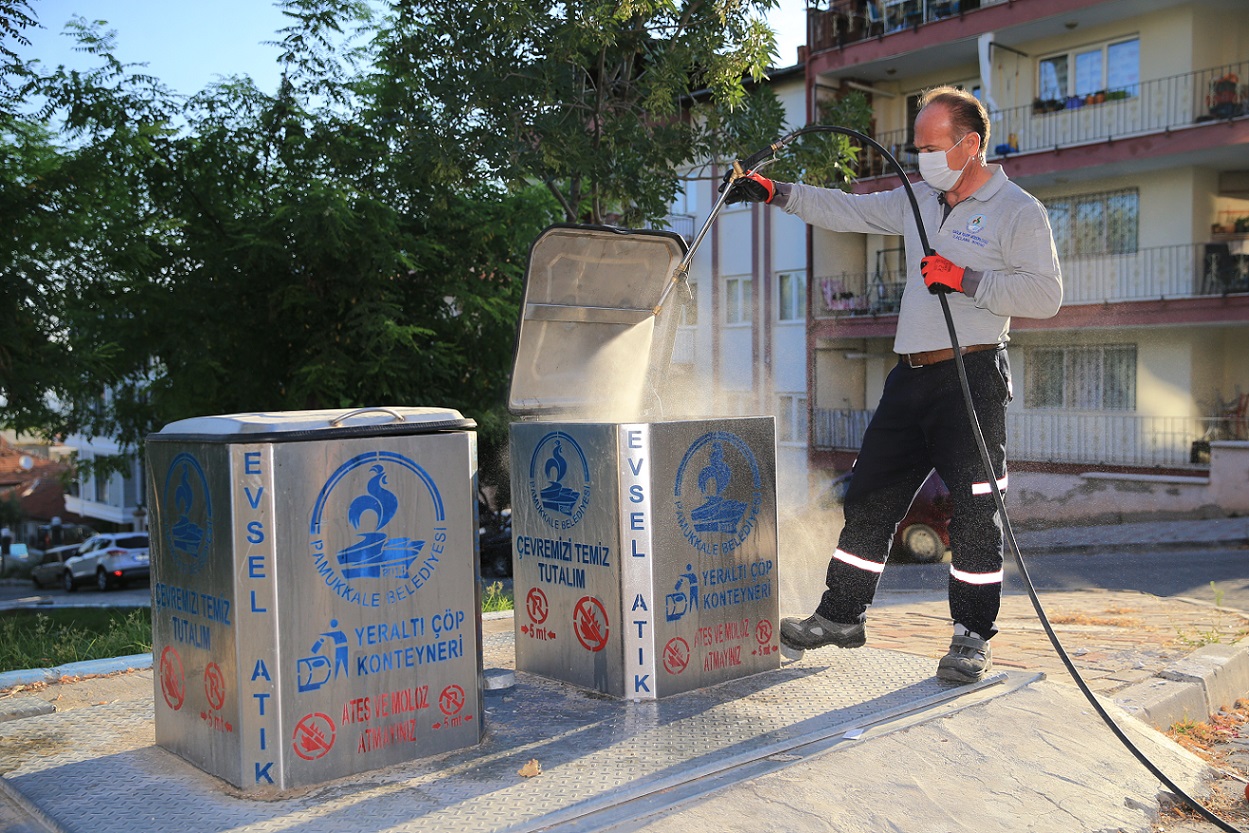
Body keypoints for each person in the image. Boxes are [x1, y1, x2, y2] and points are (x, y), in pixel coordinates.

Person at [724, 85, 1062, 682]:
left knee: (976, 512)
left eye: (932, 147)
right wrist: (776, 193)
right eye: (917, 148)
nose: (921, 160)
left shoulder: (1018, 211)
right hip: (910, 377)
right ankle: (842, 615)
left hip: (973, 376)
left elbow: (1046, 296)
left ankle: (971, 638)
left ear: (971, 143)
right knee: (871, 495)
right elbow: (848, 210)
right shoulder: (920, 199)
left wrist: (963, 277)